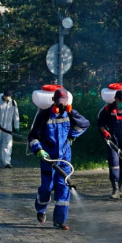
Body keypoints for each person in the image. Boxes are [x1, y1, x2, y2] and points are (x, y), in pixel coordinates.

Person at [28, 88, 89, 230]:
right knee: (46, 188)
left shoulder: (70, 114)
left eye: (63, 103)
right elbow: (33, 137)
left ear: (67, 102)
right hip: (48, 159)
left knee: (63, 188)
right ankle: (41, 209)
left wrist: (72, 134)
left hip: (64, 159)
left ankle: (59, 221)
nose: (61, 106)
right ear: (53, 101)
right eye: (58, 102)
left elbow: (85, 124)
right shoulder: (44, 115)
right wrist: (39, 150)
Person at [0, 90, 20, 168]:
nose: (7, 97)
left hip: (8, 129)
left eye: (9, 96)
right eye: (6, 96)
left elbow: (16, 115)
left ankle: (6, 162)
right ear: (3, 95)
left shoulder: (13, 103)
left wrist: (17, 126)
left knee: (8, 145)